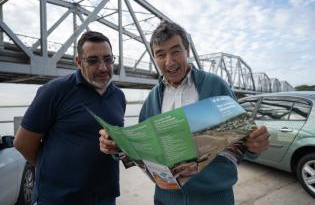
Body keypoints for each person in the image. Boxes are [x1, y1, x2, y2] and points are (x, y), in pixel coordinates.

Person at [99, 21, 269, 205]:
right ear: (154, 58)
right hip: (165, 198)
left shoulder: (215, 85)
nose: (169, 61)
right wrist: (118, 146)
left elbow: (243, 140)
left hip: (214, 198)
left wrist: (255, 144)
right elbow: (144, 151)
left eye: (175, 51)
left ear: (187, 51)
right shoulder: (151, 101)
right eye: (161, 54)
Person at [14, 31, 126, 205]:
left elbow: (117, 144)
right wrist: (54, 171)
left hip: (105, 197)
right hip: (58, 199)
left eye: (108, 59)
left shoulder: (118, 96)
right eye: (93, 60)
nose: (103, 67)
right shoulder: (55, 91)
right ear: (79, 62)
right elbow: (22, 143)